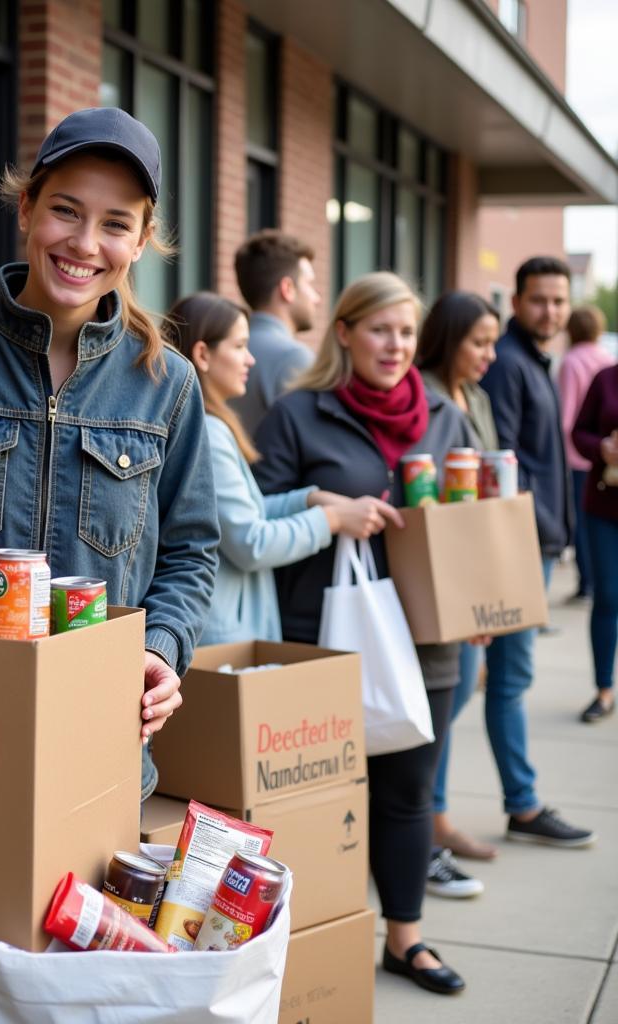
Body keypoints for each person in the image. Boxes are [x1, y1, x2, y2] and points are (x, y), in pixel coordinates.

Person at [0, 107, 219, 800]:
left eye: (116, 223)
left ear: (143, 240)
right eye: (66, 211)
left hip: (102, 743)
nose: (85, 243)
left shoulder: (168, 383)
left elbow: (192, 551)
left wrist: (162, 647)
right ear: (26, 209)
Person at [253, 272, 471, 995]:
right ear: (343, 332)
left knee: (409, 790)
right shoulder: (297, 414)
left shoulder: (443, 415)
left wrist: (479, 607)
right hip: (319, 636)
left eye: (406, 332)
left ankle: (404, 939)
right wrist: (331, 514)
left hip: (423, 635)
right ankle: (311, 938)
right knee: (314, 797)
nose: (396, 345)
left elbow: (471, 523)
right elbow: (264, 519)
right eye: (380, 329)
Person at [165, 290, 402, 645]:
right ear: (203, 354)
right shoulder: (210, 434)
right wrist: (333, 520)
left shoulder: (209, 425)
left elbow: (238, 518)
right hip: (223, 638)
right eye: (240, 346)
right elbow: (250, 543)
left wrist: (309, 500)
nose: (251, 360)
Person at [479, 257, 596, 847]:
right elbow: (503, 461)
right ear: (517, 302)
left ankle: (509, 802)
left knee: (502, 678)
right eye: (539, 300)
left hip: (539, 541)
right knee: (506, 679)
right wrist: (541, 528)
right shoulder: (508, 364)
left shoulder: (538, 362)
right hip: (521, 544)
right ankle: (518, 805)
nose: (550, 311)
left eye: (559, 300)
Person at [415, 291, 500, 881]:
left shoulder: (475, 397)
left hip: (471, 570)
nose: (489, 354)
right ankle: (430, 825)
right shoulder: (426, 401)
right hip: (441, 580)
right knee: (435, 713)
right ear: (448, 339)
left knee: (459, 697)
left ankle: (433, 818)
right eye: (479, 342)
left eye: (494, 341)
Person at [230, 229, 321, 435]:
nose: (317, 297)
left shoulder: (223, 348)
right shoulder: (294, 358)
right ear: (287, 288)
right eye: (310, 283)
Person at [571, 363, 618, 722]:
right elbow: (578, 433)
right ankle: (603, 689)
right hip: (605, 507)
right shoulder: (606, 378)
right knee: (607, 596)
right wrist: (601, 447)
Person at [559, 304, 615, 601]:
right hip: (602, 456)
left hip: (579, 456)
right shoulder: (606, 359)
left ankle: (586, 582)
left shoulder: (571, 361)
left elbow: (567, 413)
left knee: (582, 522)